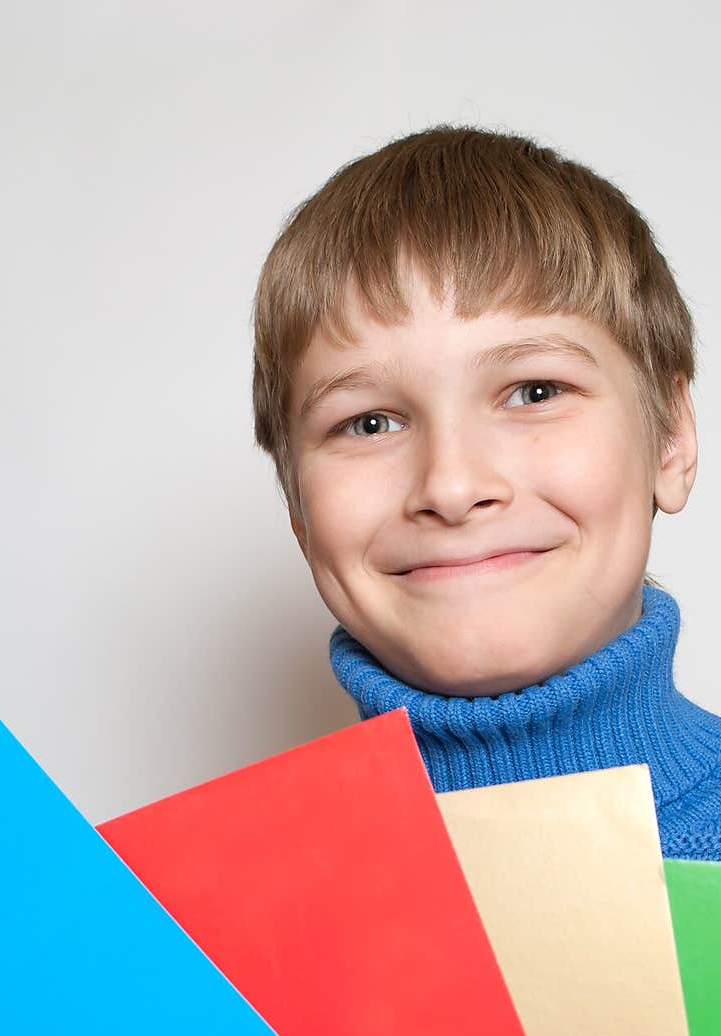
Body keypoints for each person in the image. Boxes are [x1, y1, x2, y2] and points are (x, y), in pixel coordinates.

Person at [251, 124, 721, 861]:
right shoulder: (186, 927)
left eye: (535, 391)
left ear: (672, 439)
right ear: (299, 511)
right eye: (368, 422)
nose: (452, 485)